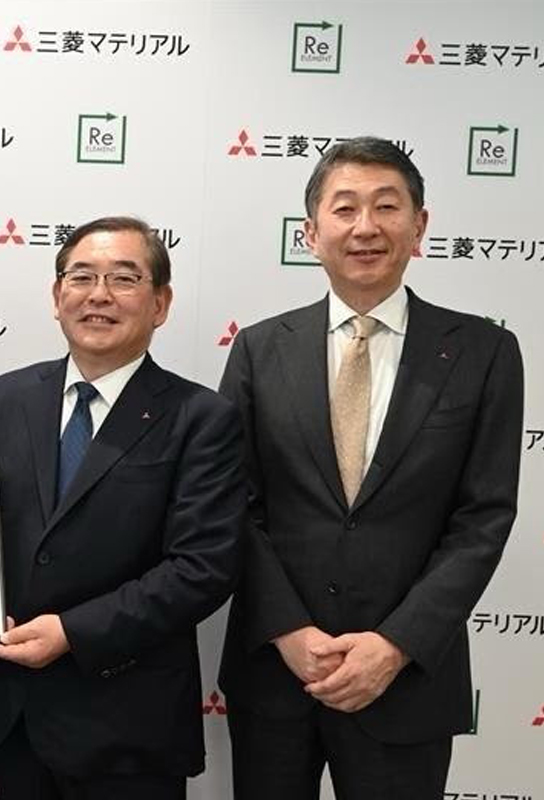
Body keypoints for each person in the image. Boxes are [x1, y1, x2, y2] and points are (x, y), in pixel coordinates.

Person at [218, 137, 523, 799]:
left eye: (386, 206)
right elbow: (233, 505)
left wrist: (395, 645)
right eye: (345, 208)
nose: (365, 227)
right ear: (310, 233)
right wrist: (289, 631)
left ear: (419, 225)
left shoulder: (485, 352)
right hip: (277, 676)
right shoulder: (260, 350)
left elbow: (483, 518)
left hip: (407, 683)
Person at [0, 216, 246, 799]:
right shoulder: (4, 398)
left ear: (160, 304)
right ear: (57, 296)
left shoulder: (202, 418)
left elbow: (202, 569)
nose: (98, 294)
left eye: (123, 278)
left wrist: (72, 633)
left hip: (131, 727)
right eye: (81, 277)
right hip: (17, 716)